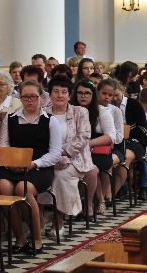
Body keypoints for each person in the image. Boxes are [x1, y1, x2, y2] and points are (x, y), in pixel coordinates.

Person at [0, 80, 62, 254]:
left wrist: (34, 164)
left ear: (41, 97)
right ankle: (19, 237)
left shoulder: (50, 121)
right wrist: (11, 163)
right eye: (25, 97)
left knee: (22, 189)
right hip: (13, 165)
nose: (29, 101)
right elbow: (3, 146)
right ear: (20, 98)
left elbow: (55, 153)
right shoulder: (10, 118)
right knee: (2, 187)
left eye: (33, 97)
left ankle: (36, 239)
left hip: (39, 167)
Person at [42, 76, 94, 238]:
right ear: (49, 94)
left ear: (69, 95)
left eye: (64, 92)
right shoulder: (42, 113)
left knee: (59, 176)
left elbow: (83, 137)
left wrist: (61, 153)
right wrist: (50, 156)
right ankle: (40, 220)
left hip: (74, 159)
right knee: (37, 177)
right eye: (55, 91)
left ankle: (59, 221)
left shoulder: (80, 112)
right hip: (47, 158)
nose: (59, 95)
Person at [70, 80, 115, 215]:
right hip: (74, 151)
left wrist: (87, 144)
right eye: (80, 93)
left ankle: (89, 203)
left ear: (92, 95)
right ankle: (78, 202)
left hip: (97, 152)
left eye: (87, 93)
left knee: (92, 168)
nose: (83, 96)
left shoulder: (100, 111)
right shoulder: (70, 110)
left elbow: (111, 137)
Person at [97, 79, 130, 202]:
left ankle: (105, 197)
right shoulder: (92, 108)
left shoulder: (115, 111)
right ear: (98, 92)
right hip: (96, 147)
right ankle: (98, 197)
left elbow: (119, 135)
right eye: (104, 94)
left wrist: (109, 141)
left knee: (106, 163)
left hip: (116, 147)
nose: (107, 97)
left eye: (110, 95)